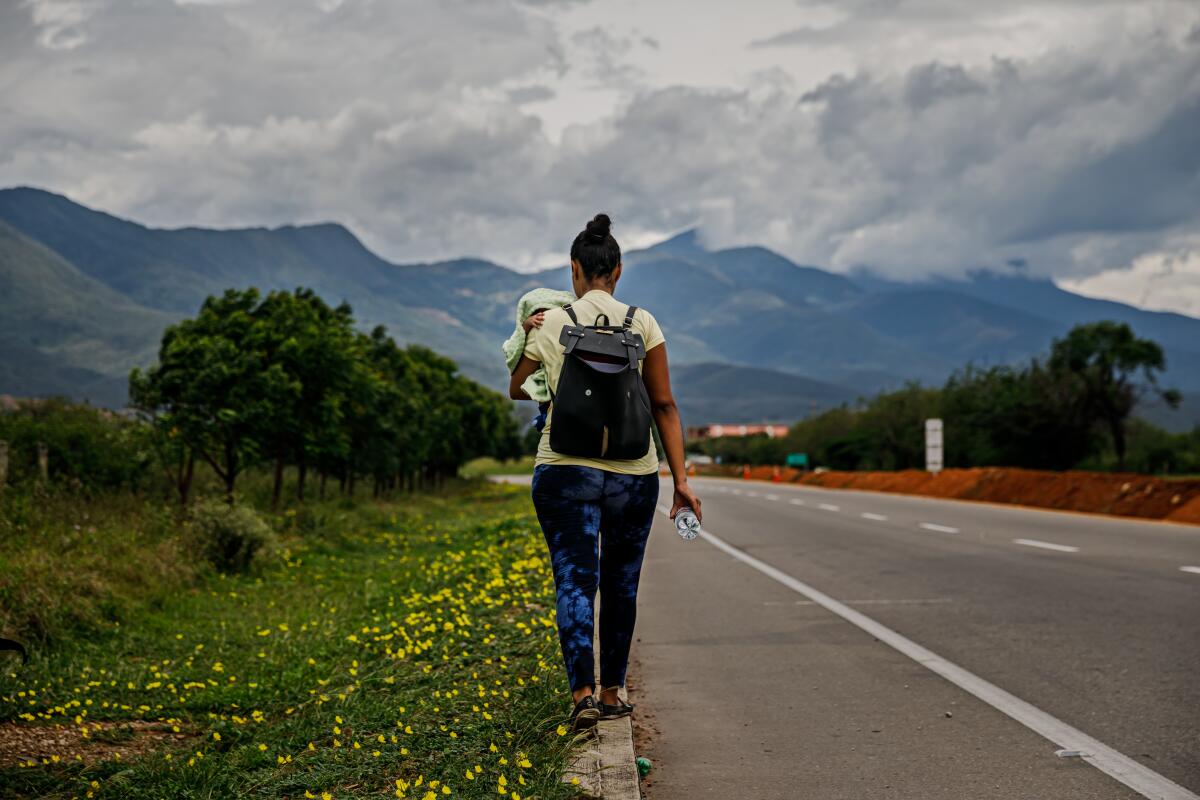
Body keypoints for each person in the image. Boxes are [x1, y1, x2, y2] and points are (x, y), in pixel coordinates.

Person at [508, 213, 702, 731]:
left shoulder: (549, 321)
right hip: (633, 474)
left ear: (574, 269)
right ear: (617, 271)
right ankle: (614, 693)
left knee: (574, 582)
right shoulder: (643, 322)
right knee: (621, 584)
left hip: (563, 470)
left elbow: (516, 387)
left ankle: (583, 696)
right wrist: (681, 482)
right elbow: (663, 405)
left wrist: (529, 337)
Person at [502, 288, 576, 432]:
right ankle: (543, 419)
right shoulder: (532, 330)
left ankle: (543, 420)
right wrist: (526, 325)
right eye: (538, 314)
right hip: (548, 395)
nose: (543, 318)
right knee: (546, 412)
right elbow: (515, 343)